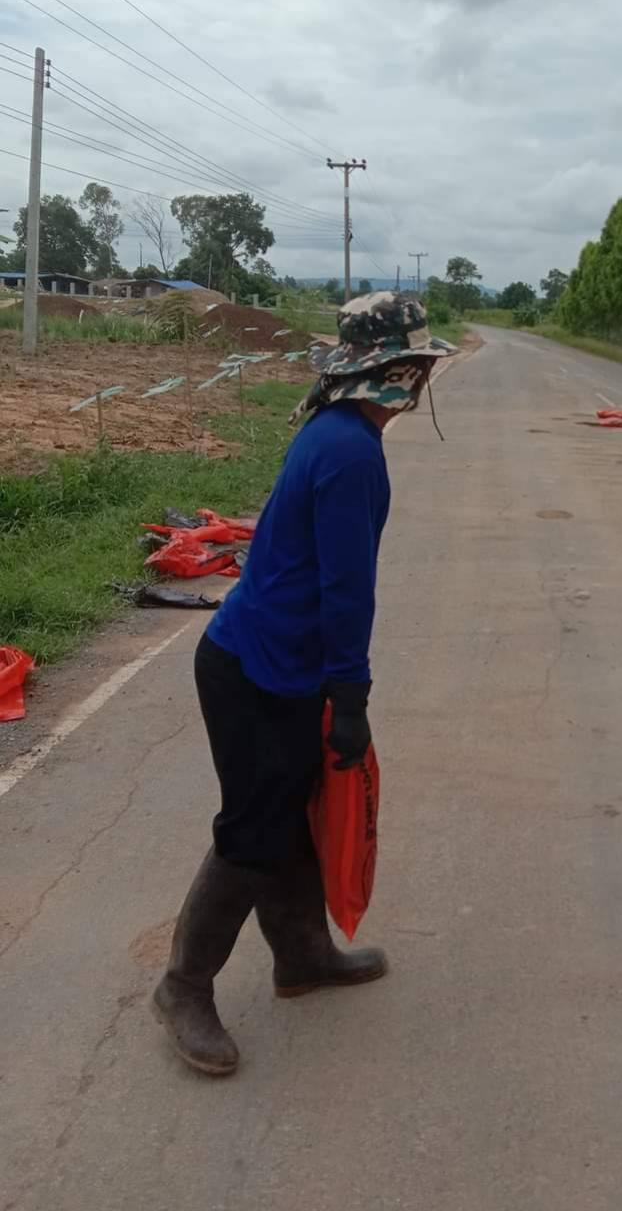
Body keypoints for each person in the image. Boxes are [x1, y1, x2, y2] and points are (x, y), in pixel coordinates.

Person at [152, 292, 455, 1076]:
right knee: (255, 828)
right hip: (257, 668)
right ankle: (183, 986)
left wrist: (333, 689)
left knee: (291, 809)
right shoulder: (351, 452)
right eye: (418, 365)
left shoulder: (334, 430)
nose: (422, 378)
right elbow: (346, 593)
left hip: (273, 662)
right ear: (397, 372)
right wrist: (350, 699)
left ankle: (304, 956)